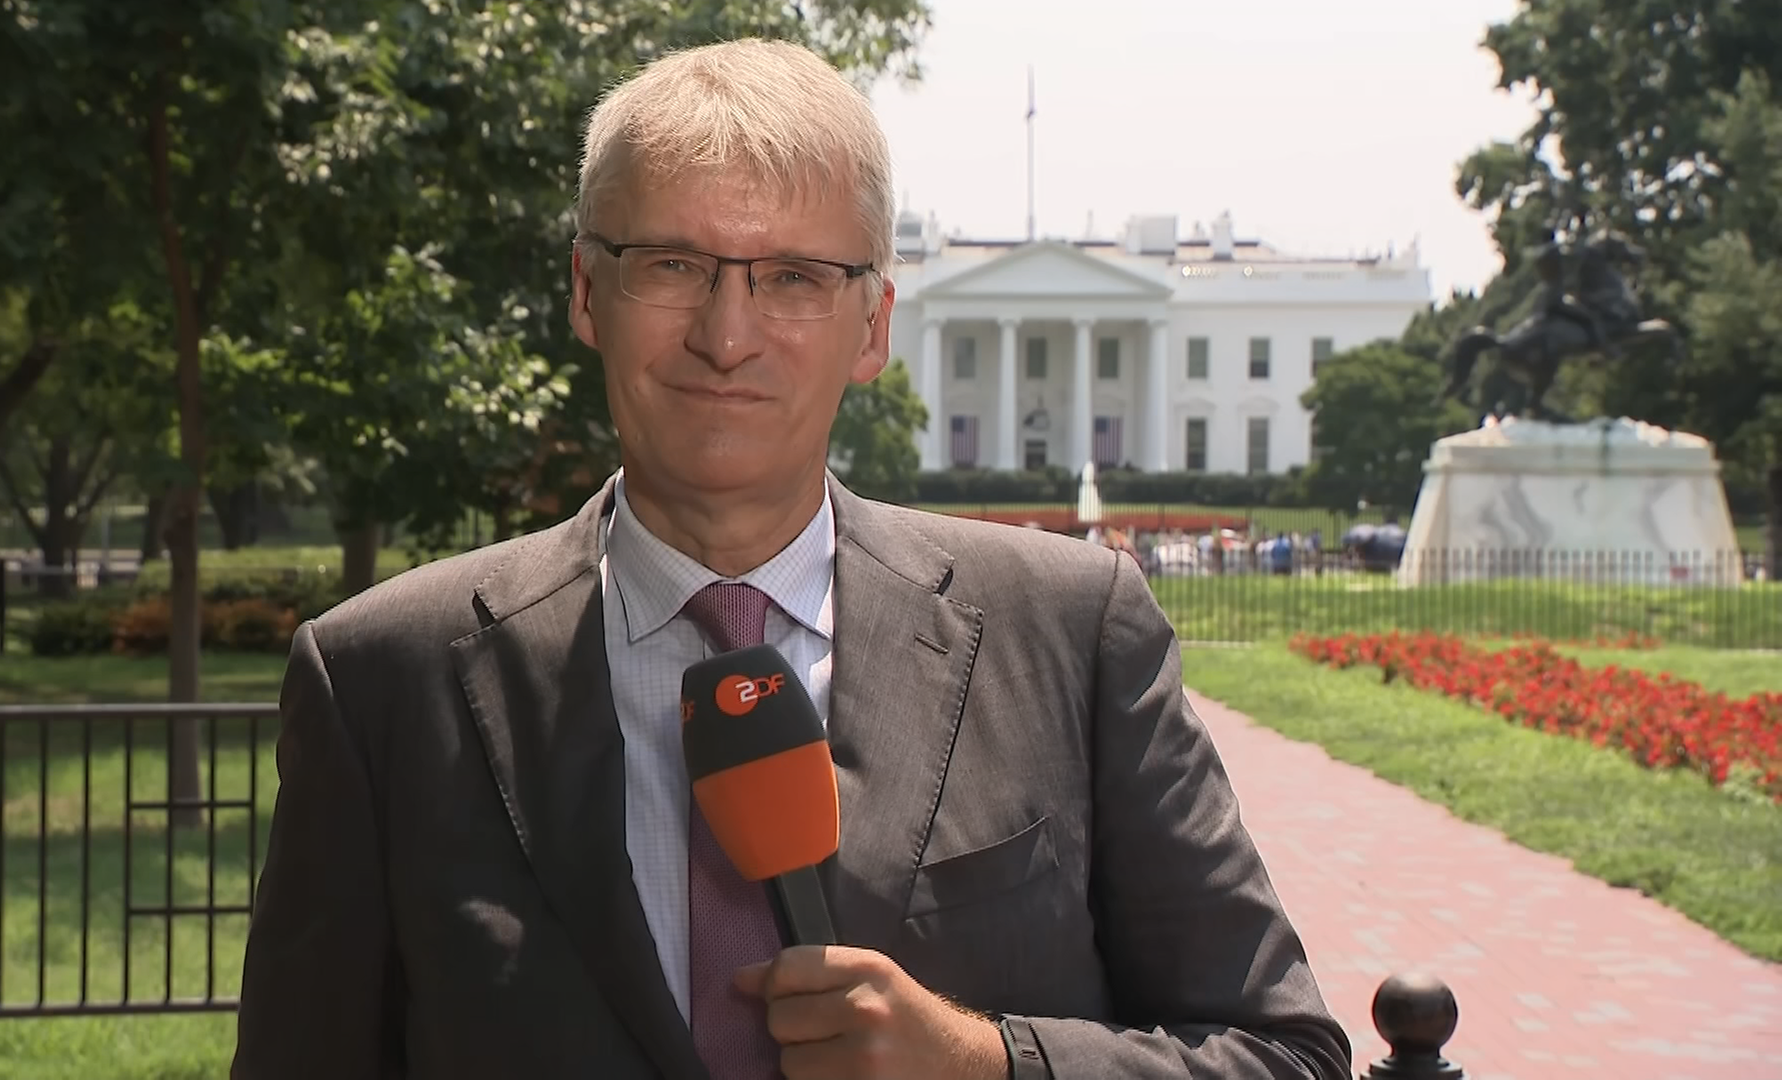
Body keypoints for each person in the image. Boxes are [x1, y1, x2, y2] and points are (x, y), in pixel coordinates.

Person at [230, 38, 1350, 1080]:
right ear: (586, 293)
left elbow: (1284, 1053)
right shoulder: (383, 681)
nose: (727, 337)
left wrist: (987, 1063)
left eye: (795, 277)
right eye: (672, 263)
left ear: (874, 327)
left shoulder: (1069, 631)